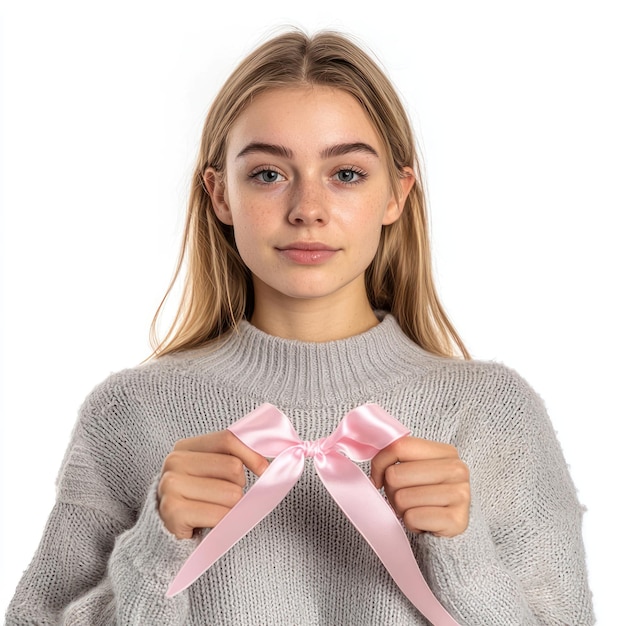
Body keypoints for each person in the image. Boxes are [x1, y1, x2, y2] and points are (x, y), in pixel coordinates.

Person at [5, 29, 594, 625]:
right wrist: (155, 552)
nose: (307, 208)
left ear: (397, 193)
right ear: (220, 195)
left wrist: (461, 559)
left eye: (346, 174)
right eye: (267, 174)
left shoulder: (495, 413)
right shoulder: (128, 413)